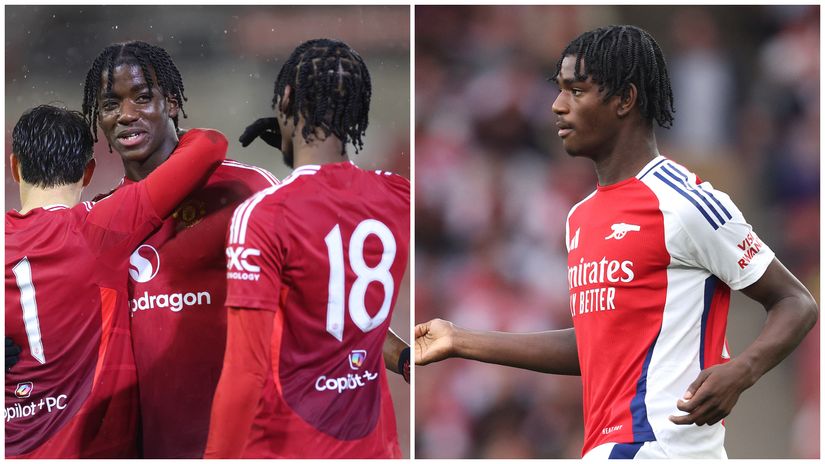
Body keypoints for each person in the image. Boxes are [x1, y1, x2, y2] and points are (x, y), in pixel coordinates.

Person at [414, 25, 817, 459]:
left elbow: (795, 301)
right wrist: (459, 340)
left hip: (665, 447)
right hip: (609, 448)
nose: (557, 105)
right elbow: (592, 344)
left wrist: (741, 371)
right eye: (559, 90)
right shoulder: (580, 217)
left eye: (576, 91)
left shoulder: (684, 203)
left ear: (625, 99)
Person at [204, 38, 410, 458]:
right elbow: (342, 315)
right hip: (375, 448)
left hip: (287, 446)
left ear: (285, 99)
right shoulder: (399, 195)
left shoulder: (264, 215)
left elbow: (245, 371)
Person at [80, 41, 280, 458]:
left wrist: (400, 357)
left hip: (246, 446)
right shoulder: (101, 222)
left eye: (142, 97)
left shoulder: (245, 191)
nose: (126, 114)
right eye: (111, 104)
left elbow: (321, 295)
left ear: (171, 102)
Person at [5, 104, 227, 458]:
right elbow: (210, 146)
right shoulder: (102, 226)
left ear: (15, 167)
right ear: (88, 172)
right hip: (89, 449)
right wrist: (167, 124)